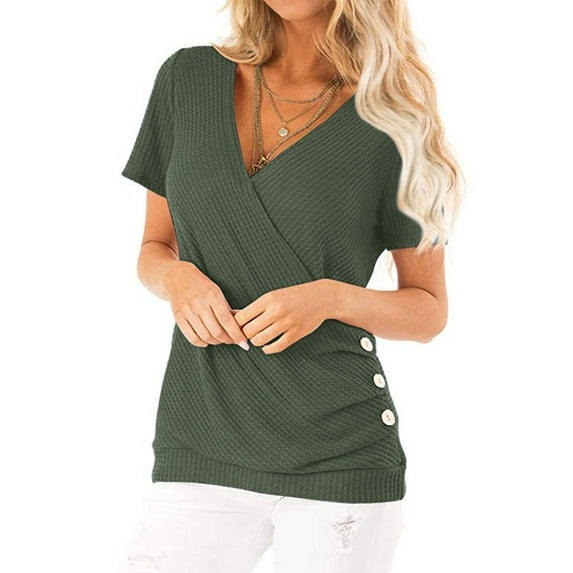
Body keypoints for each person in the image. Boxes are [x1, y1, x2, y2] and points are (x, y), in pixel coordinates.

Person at [118, 0, 463, 571]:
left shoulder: (395, 119)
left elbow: (428, 312)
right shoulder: (187, 78)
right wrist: (178, 278)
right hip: (200, 436)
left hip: (339, 455)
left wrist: (330, 297)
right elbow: (155, 247)